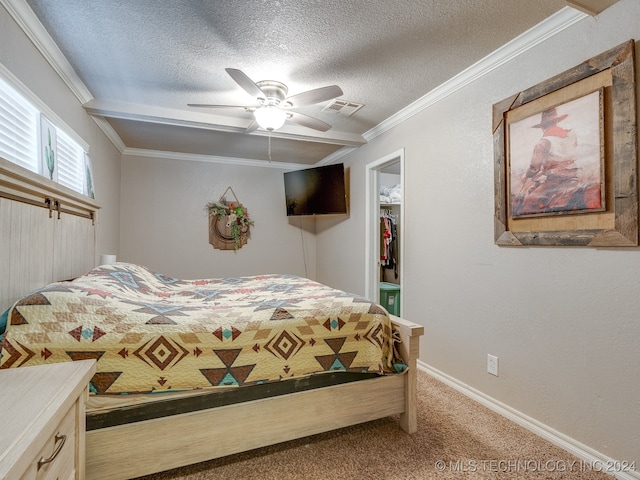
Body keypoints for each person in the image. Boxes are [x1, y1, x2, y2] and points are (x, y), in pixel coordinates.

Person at [512, 107, 600, 217]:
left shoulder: (543, 143)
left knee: (528, 202)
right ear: (556, 122)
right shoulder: (571, 134)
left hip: (555, 181)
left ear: (543, 127)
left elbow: (534, 168)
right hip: (573, 176)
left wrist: (526, 175)